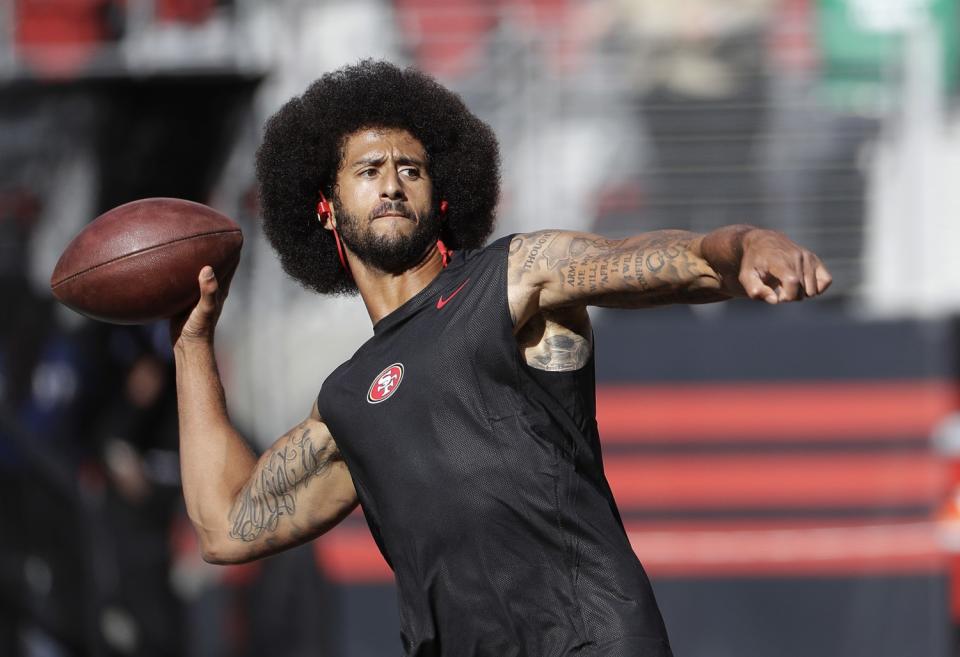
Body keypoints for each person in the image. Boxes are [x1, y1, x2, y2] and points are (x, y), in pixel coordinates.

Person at [171, 60, 831, 657]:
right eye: (368, 171)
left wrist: (744, 245)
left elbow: (667, 257)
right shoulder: (346, 399)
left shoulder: (513, 279)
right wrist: (192, 343)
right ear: (326, 209)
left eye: (411, 169)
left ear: (445, 195)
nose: (393, 184)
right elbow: (224, 525)